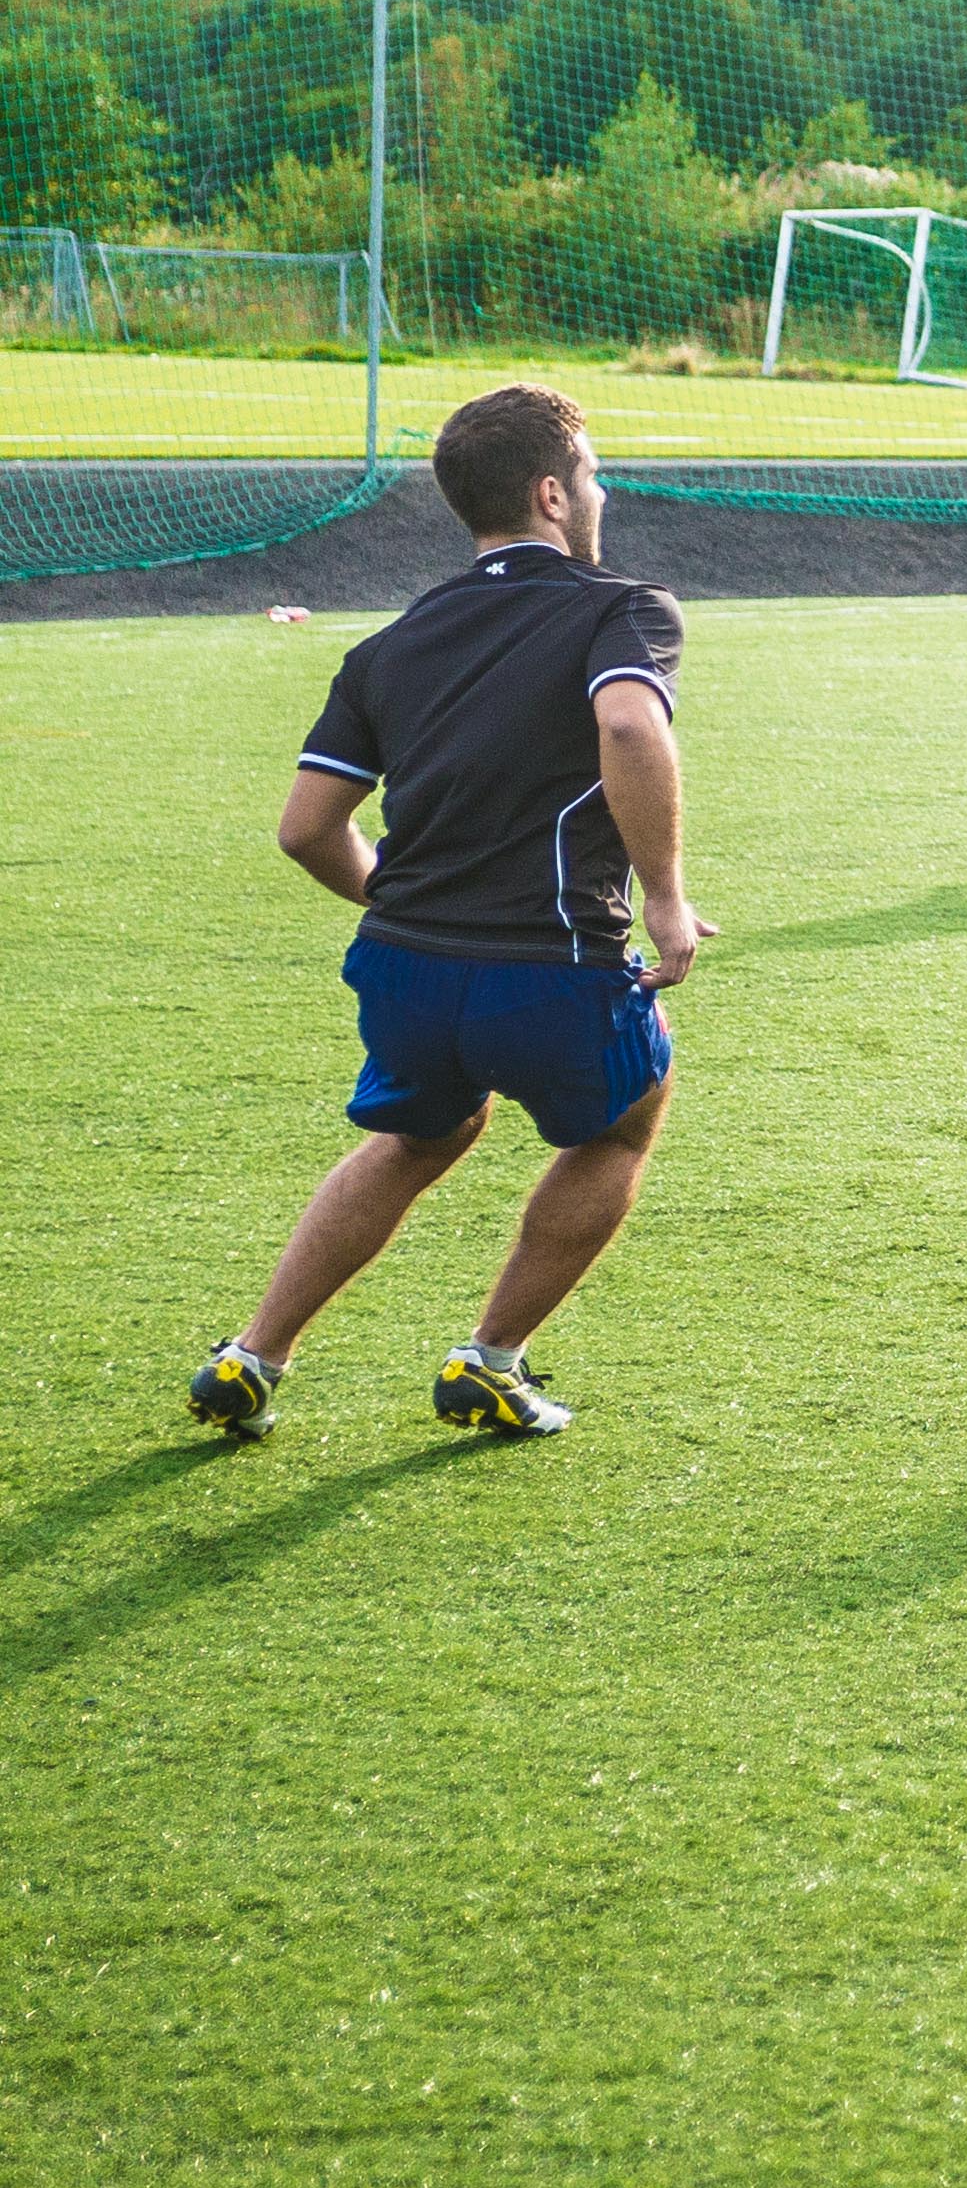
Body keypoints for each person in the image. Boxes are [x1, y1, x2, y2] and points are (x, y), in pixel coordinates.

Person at [191, 385, 713, 1443]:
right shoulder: (622, 606)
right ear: (552, 493)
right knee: (623, 1124)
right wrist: (664, 897)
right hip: (553, 962)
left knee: (417, 1134)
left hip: (402, 965)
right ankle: (490, 1363)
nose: (603, 488)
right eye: (595, 472)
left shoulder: (392, 641)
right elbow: (627, 725)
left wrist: (401, 896)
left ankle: (254, 1355)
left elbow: (305, 829)